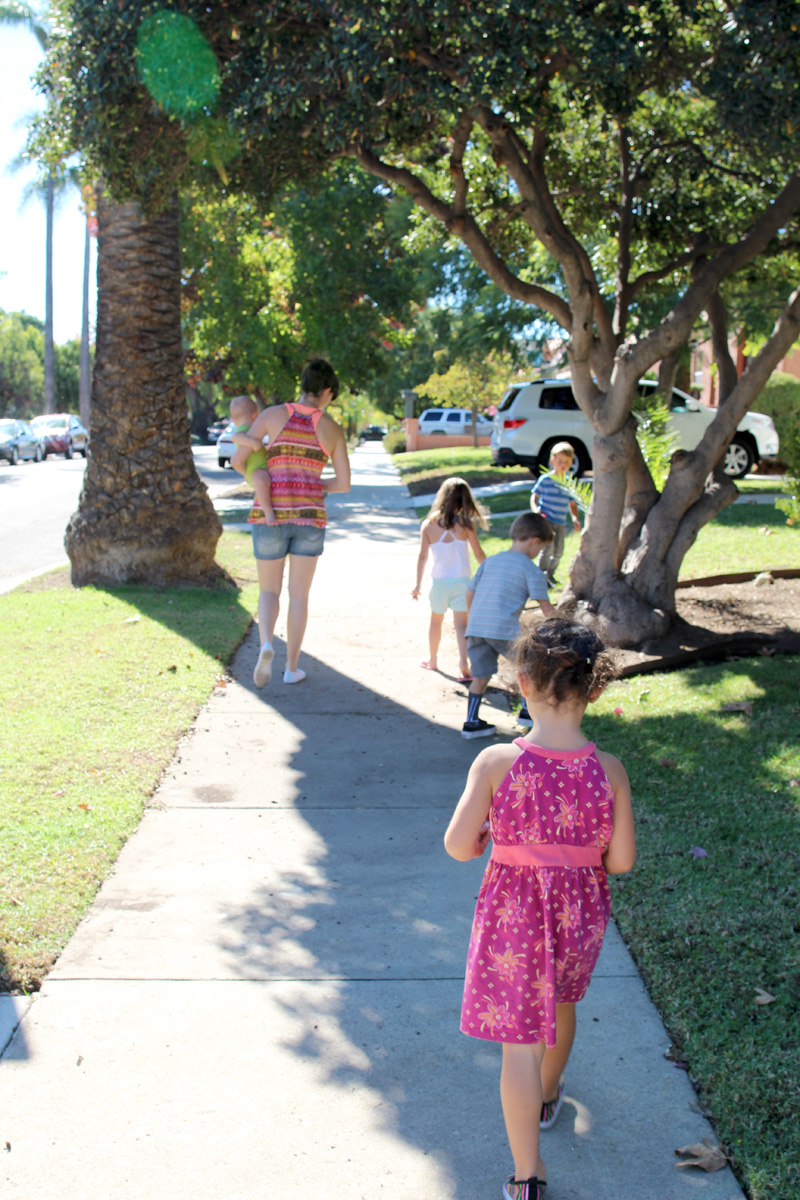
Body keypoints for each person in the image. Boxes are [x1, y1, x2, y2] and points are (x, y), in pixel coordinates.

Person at [445, 618, 636, 1200]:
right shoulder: (609, 771)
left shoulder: (498, 762)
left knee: (519, 1043)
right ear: (594, 690)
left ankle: (527, 1175)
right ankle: (551, 1097)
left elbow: (457, 844)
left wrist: (485, 839)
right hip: (579, 911)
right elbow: (622, 861)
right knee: (561, 1001)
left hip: (514, 913)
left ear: (522, 685)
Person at [230, 359, 350, 687]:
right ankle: (292, 668)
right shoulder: (332, 428)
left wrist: (261, 477)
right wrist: (311, 485)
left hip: (269, 516)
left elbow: (240, 456)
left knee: (268, 590)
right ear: (326, 391)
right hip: (310, 519)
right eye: (331, 395)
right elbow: (343, 484)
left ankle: (267, 642)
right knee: (299, 595)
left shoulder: (270, 415)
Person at [461, 512, 556, 739]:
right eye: (540, 548)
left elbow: (469, 593)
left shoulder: (490, 561)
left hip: (476, 626)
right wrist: (562, 627)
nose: (538, 553)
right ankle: (526, 711)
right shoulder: (531, 570)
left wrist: (474, 618)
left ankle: (471, 724)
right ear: (535, 541)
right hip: (502, 627)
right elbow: (546, 608)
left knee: (480, 676)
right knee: (530, 665)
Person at [411, 477, 488, 681]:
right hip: (462, 582)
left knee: (436, 621)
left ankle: (433, 659)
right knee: (462, 624)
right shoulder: (466, 525)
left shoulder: (428, 525)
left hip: (439, 583)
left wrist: (418, 583)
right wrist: (490, 574)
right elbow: (479, 554)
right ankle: (464, 662)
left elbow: (423, 557)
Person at [529, 442, 582, 587]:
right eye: (560, 461)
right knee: (547, 549)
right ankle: (541, 576)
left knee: (558, 551)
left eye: (566, 461)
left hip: (560, 522)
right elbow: (534, 497)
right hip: (547, 521)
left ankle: (550, 574)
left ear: (571, 462)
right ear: (553, 461)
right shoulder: (545, 480)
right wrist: (535, 510)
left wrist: (575, 519)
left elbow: (572, 505)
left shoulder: (569, 483)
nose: (563, 464)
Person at [227, 395, 272, 521]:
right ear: (254, 416)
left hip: (262, 466)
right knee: (261, 482)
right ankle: (268, 512)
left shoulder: (251, 429)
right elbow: (236, 437)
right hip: (255, 470)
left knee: (264, 482)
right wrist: (252, 442)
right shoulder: (243, 430)